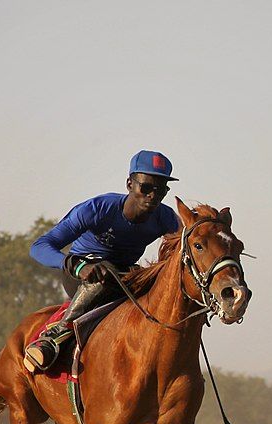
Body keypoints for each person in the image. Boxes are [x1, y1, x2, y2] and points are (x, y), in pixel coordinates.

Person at [24, 150, 180, 373]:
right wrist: (78, 266)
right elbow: (39, 247)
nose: (152, 196)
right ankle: (55, 335)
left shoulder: (166, 217)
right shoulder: (96, 209)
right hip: (82, 275)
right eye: (146, 188)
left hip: (124, 275)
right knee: (105, 272)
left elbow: (188, 246)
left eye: (160, 190)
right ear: (130, 184)